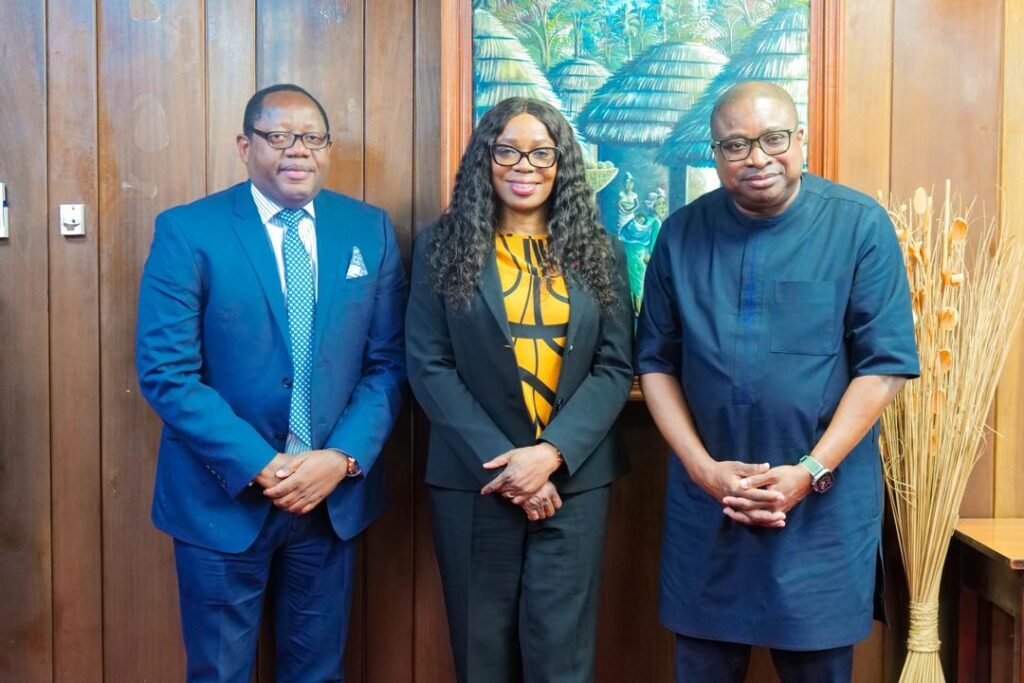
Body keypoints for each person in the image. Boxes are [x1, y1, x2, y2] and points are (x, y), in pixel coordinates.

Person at [635, 81, 919, 682]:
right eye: (736, 145)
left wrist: (809, 470)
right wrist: (703, 470)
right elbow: (655, 363)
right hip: (710, 505)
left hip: (821, 507)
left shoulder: (858, 226)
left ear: (800, 140)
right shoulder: (680, 235)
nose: (757, 158)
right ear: (715, 154)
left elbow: (884, 367)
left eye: (773, 139)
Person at [136, 83, 406, 682]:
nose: (297, 150)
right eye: (278, 136)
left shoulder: (369, 230)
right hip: (221, 498)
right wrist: (263, 465)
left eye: (312, 137)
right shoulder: (189, 231)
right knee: (219, 673)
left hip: (328, 500)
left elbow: (388, 363)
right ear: (245, 146)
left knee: (317, 674)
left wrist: (340, 459)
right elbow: (167, 373)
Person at [406, 97, 634, 683]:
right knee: (482, 657)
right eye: (507, 151)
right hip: (474, 482)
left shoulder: (602, 253)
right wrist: (508, 466)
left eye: (541, 153)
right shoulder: (441, 247)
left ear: (562, 164)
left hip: (574, 483)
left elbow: (614, 368)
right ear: (485, 159)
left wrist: (549, 456)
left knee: (562, 659)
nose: (524, 166)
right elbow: (429, 365)